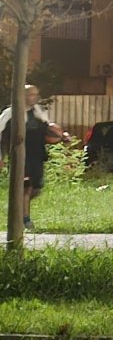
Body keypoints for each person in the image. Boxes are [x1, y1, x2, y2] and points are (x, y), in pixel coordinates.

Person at [0, 85, 64, 232]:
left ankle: (18, 207)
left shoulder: (38, 112)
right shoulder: (11, 113)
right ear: (22, 96)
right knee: (26, 188)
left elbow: (48, 130)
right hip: (20, 157)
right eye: (30, 94)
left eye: (36, 94)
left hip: (37, 155)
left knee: (35, 190)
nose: (34, 97)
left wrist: (61, 136)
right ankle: (25, 220)